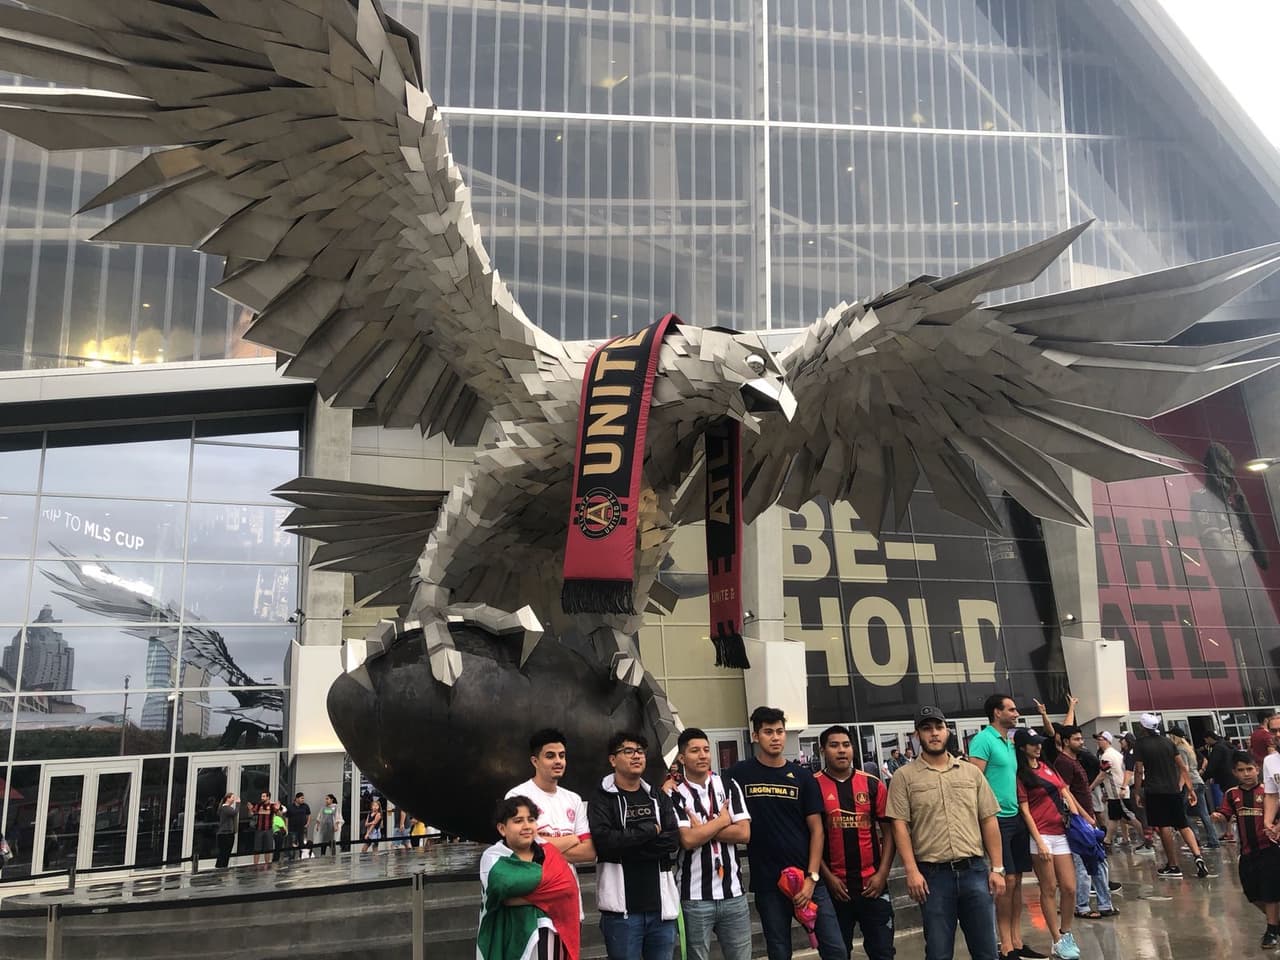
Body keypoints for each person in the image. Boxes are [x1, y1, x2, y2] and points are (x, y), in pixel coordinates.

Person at [888, 705, 1004, 960]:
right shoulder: (903, 777)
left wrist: (997, 868)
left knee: (986, 951)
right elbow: (899, 826)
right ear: (917, 735)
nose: (934, 734)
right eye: (927, 729)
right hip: (933, 878)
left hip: (975, 872)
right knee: (939, 953)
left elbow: (988, 819)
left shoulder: (971, 772)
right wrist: (911, 871)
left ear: (947, 731)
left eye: (939, 727)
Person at [728, 706, 843, 960]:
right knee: (779, 952)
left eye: (780, 731)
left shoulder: (802, 777)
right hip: (768, 883)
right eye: (768, 732)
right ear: (755, 736)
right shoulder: (738, 775)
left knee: (836, 950)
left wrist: (812, 878)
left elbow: (817, 830)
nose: (776, 737)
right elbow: (710, 793)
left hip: (808, 881)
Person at [588, 731, 679, 960]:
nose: (636, 756)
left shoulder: (657, 796)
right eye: (628, 751)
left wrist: (628, 844)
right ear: (612, 759)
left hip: (660, 910)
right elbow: (605, 843)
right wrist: (649, 831)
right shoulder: (602, 798)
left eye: (640, 751)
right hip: (622, 915)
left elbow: (672, 839)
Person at [669, 727, 751, 960]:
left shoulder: (727, 785)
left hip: (733, 893)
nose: (703, 755)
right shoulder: (674, 793)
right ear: (682, 758)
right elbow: (687, 840)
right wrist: (724, 821)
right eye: (695, 751)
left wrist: (705, 829)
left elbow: (744, 833)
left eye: (706, 750)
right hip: (694, 896)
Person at [969, 693, 1040, 960]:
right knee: (1005, 883)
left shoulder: (1009, 743)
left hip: (1016, 819)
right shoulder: (983, 741)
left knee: (1018, 881)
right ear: (996, 713)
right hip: (995, 819)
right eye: (1011, 709)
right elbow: (973, 782)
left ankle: (1017, 942)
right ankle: (1005, 946)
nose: (1016, 713)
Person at [814, 725, 895, 960]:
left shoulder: (872, 784)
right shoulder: (813, 785)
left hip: (873, 887)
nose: (841, 751)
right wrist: (828, 878)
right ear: (822, 750)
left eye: (846, 745)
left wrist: (882, 875)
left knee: (883, 953)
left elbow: (889, 833)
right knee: (836, 954)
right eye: (834, 745)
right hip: (833, 890)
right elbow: (810, 839)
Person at [478, 796, 581, 960]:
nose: (527, 826)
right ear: (502, 829)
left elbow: (567, 888)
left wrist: (517, 897)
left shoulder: (549, 853)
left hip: (550, 935)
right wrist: (548, 895)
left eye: (531, 820)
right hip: (509, 936)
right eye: (518, 821)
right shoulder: (493, 858)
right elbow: (502, 884)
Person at [1015, 729, 1082, 959]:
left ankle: (1065, 932)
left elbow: (1065, 791)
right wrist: (1039, 841)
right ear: (1023, 747)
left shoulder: (1048, 767)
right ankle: (1056, 939)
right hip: (1041, 836)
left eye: (1039, 743)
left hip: (1061, 833)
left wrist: (1079, 819)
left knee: (1070, 888)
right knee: (1049, 887)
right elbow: (1025, 811)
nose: (1038, 747)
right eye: (1033, 744)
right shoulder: (1021, 775)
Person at [1213, 752, 1280, 949]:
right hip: (1247, 851)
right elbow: (1225, 814)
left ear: (1257, 769)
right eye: (1241, 770)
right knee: (1252, 893)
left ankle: (1271, 930)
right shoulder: (1232, 794)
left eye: (1250, 769)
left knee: (1271, 892)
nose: (1246, 774)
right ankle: (1276, 923)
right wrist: (1218, 816)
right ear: (1234, 772)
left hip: (1270, 849)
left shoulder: (1268, 794)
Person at [1132, 713, 1207, 879]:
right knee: (1183, 824)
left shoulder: (1140, 745)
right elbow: (1182, 767)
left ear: (1142, 727)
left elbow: (1138, 770)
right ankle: (1198, 856)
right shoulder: (1168, 742)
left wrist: (1137, 792)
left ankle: (1173, 865)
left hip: (1155, 790)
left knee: (1163, 825)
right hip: (1174, 790)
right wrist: (1190, 789)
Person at [1054, 726, 1116, 920]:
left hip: (1086, 818)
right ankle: (1082, 906)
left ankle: (1105, 903)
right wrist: (1082, 817)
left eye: (1081, 739)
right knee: (1083, 864)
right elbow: (1065, 793)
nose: (1082, 742)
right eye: (1077, 739)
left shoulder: (1076, 760)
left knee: (1098, 861)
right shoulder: (1063, 762)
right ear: (1065, 741)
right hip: (1079, 821)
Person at [1167, 727, 1218, 849]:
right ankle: (1213, 840)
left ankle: (1194, 840)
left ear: (1174, 737)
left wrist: (1180, 786)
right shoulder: (1189, 749)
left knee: (1183, 813)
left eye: (1170, 736)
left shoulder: (1180, 749)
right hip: (1198, 782)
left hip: (1190, 783)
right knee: (1204, 813)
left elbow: (1184, 769)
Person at [1093, 732, 1139, 849]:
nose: (1098, 741)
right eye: (1097, 739)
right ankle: (1107, 840)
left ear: (1107, 740)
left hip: (1117, 792)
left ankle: (1147, 836)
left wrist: (1091, 787)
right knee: (1114, 817)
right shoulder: (1116, 754)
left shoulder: (1107, 756)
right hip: (1117, 791)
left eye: (1100, 739)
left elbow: (1102, 775)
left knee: (1129, 817)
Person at [1202, 730, 1237, 841]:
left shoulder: (1218, 748)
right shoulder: (1228, 745)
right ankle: (1229, 831)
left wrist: (1204, 778)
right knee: (1232, 806)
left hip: (1226, 779)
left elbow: (1212, 766)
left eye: (1206, 740)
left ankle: (1229, 832)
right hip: (1234, 777)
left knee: (1229, 807)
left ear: (1208, 738)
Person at [248, 791, 275, 866]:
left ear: (268, 797)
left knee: (268, 848)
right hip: (259, 829)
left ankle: (267, 864)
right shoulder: (258, 805)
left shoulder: (272, 806)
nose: (261, 798)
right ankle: (255, 865)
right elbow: (251, 814)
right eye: (261, 796)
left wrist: (278, 809)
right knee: (257, 848)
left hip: (268, 829)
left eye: (263, 796)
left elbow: (279, 813)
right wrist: (250, 809)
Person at [215, 793, 239, 869]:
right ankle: (221, 868)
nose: (233, 799)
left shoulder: (225, 808)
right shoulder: (225, 808)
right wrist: (238, 804)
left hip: (226, 833)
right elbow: (234, 812)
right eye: (232, 798)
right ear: (228, 798)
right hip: (226, 833)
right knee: (224, 853)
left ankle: (222, 868)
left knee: (225, 853)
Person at [287, 791, 311, 860]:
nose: (303, 800)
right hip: (293, 829)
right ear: (296, 799)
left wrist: (307, 823)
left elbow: (308, 815)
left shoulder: (305, 806)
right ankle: (291, 859)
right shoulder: (290, 806)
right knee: (293, 845)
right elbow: (287, 817)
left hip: (303, 829)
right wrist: (286, 826)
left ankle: (302, 857)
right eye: (301, 798)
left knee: (303, 844)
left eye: (303, 798)